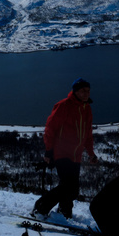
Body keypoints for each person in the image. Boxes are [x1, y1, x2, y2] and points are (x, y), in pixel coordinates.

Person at [33, 78, 96, 219]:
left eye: (88, 91)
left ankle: (64, 213)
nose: (86, 94)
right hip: (61, 152)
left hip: (76, 155)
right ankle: (40, 207)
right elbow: (50, 128)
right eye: (82, 91)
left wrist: (91, 153)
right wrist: (49, 151)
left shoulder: (87, 109)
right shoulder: (64, 106)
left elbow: (87, 134)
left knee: (71, 189)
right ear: (75, 92)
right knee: (68, 187)